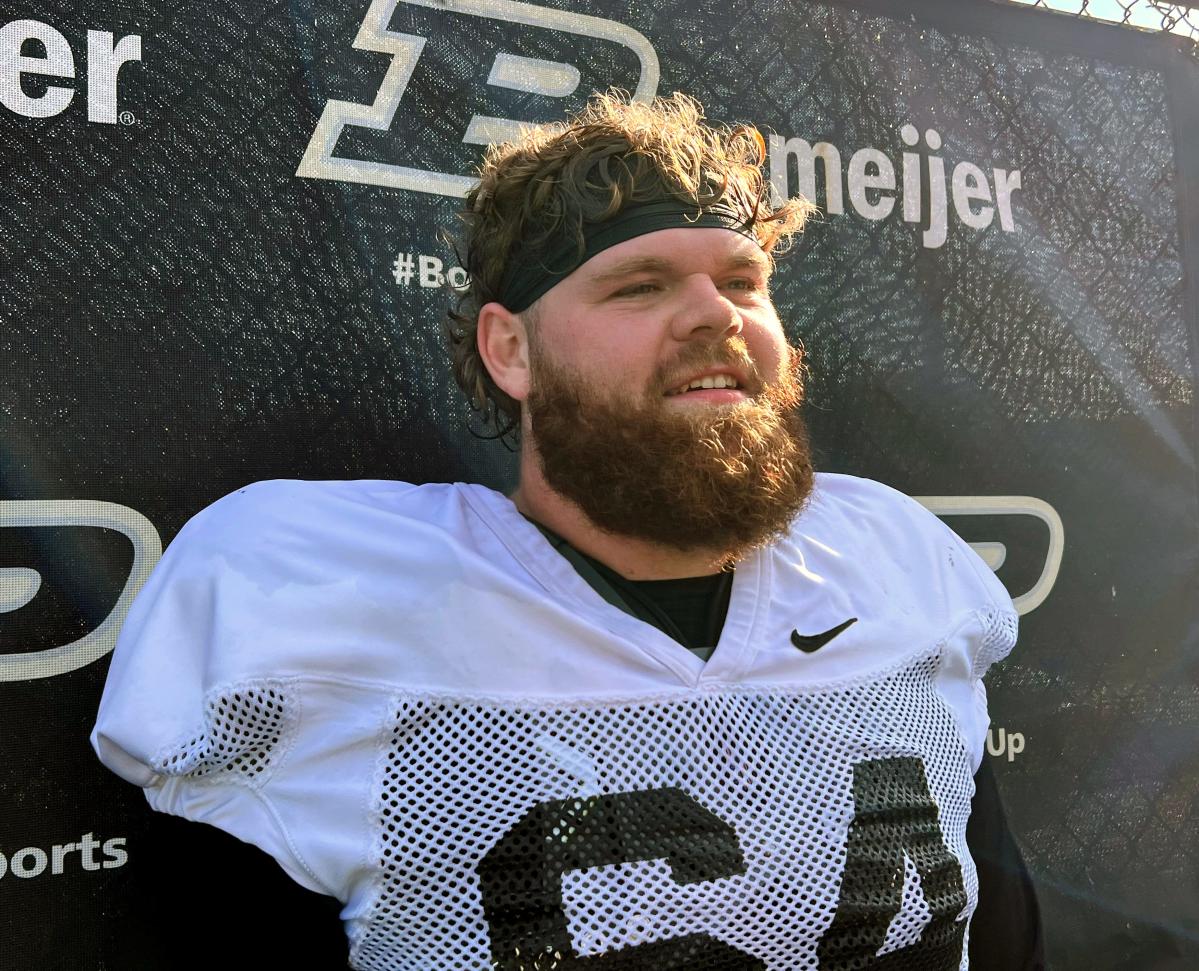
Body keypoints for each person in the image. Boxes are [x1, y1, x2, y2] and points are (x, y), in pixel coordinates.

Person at [91, 91, 1041, 969]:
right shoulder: (309, 605)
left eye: (743, 282)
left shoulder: (894, 562)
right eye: (638, 286)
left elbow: (1000, 929)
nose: (716, 313)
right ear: (509, 349)